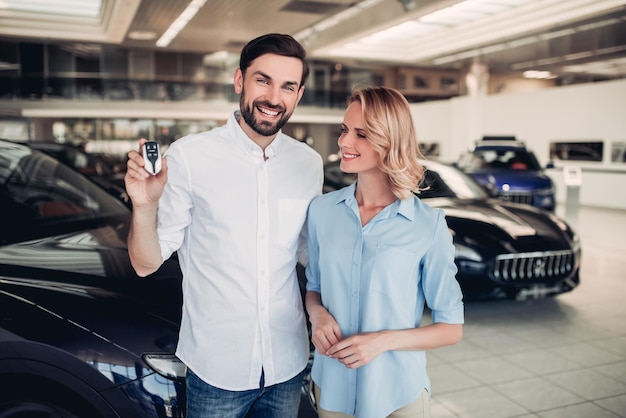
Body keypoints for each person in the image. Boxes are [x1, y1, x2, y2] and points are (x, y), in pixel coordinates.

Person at [124, 33, 323, 417]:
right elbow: (145, 263)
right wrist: (144, 205)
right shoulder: (190, 156)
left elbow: (306, 250)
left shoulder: (308, 163)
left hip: (288, 362)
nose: (273, 97)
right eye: (262, 80)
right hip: (217, 370)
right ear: (239, 81)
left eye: (288, 86)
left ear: (298, 96)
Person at [305, 86, 464, 418]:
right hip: (332, 388)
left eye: (361, 134)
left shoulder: (427, 225)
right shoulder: (322, 211)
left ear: (390, 141)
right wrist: (317, 314)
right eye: (345, 131)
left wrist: (383, 341)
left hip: (397, 395)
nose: (344, 142)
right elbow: (314, 287)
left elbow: (451, 328)